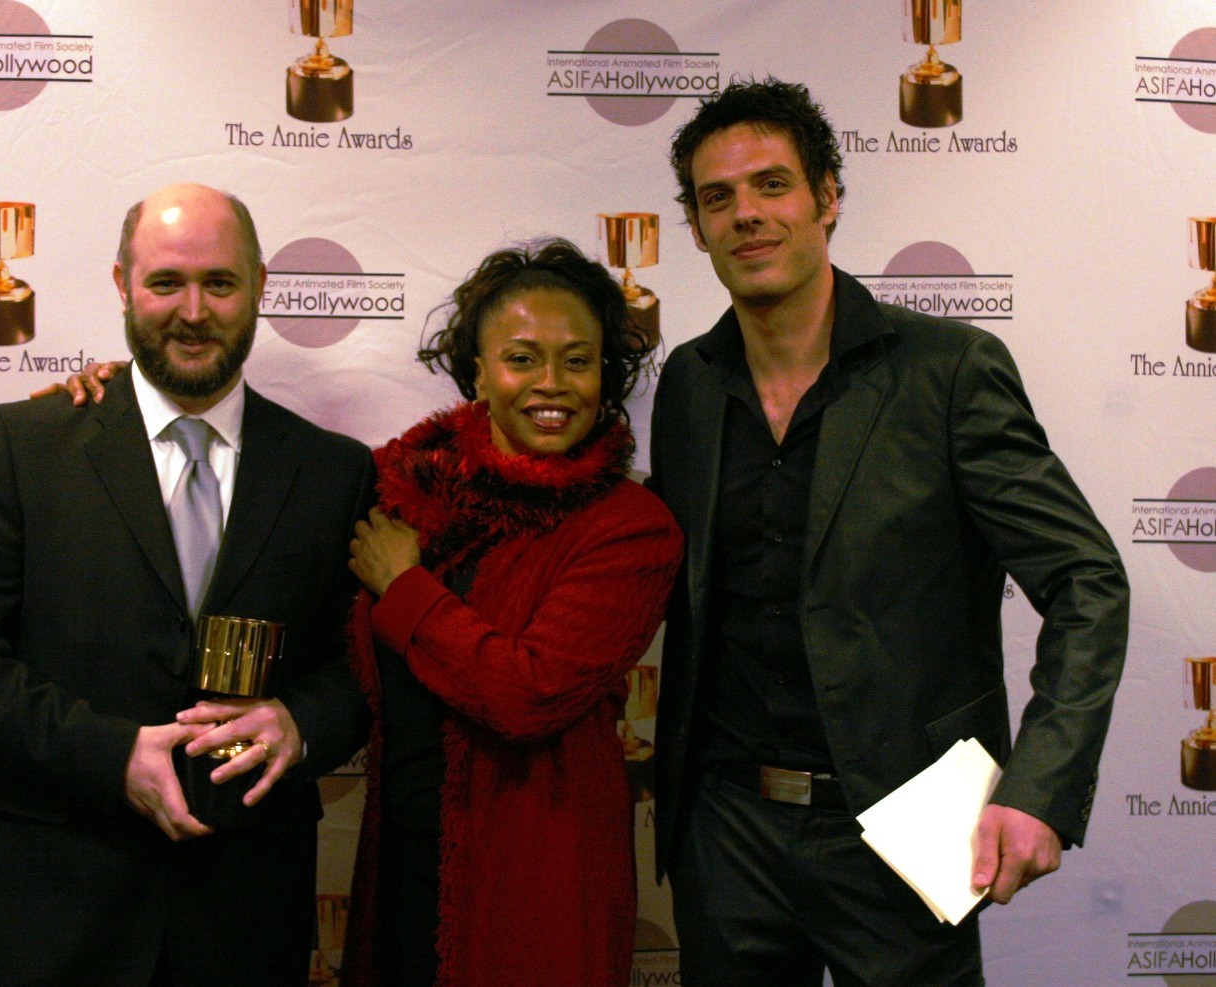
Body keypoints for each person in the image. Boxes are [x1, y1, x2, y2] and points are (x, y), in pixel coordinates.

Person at [648, 78, 1129, 986]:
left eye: (772, 185)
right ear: (698, 226)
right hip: (725, 833)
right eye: (719, 198)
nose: (747, 214)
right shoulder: (689, 384)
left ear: (829, 197)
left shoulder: (948, 372)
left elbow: (1086, 581)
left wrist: (1039, 790)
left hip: (910, 832)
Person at [0, 183, 375, 986]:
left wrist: (302, 720)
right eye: (166, 283)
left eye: (219, 284)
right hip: (44, 914)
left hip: (242, 919)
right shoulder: (28, 443)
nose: (194, 311)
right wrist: (109, 752)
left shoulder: (334, 471)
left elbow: (360, 672)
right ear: (123, 284)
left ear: (259, 285)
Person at [342, 240, 683, 986]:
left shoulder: (631, 526)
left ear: (607, 374)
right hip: (401, 872)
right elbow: (266, 472)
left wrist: (404, 589)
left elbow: (526, 694)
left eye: (578, 360)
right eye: (522, 358)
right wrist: (110, 404)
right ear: (478, 372)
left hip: (541, 885)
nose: (552, 384)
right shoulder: (401, 489)